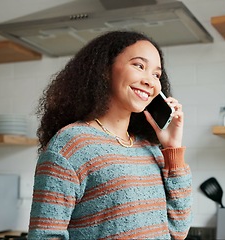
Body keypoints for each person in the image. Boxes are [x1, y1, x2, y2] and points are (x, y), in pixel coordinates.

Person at [27, 31, 192, 240]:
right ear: (105, 70)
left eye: (156, 74)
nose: (150, 81)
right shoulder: (70, 146)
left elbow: (179, 230)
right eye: (139, 66)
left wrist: (172, 148)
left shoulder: (150, 148)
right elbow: (45, 236)